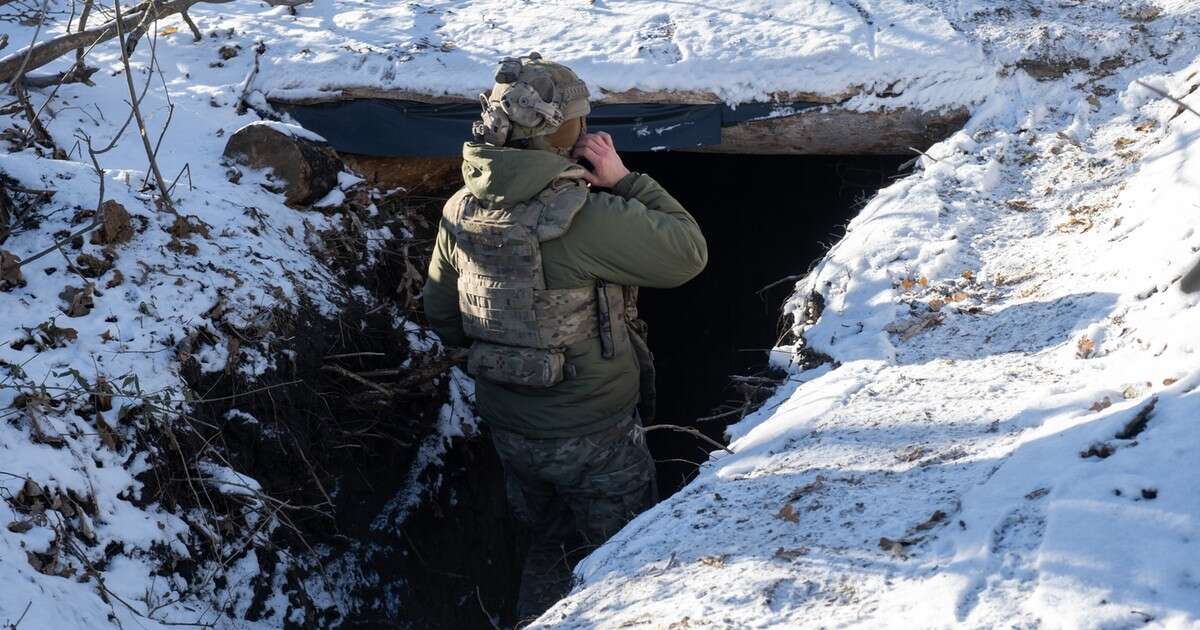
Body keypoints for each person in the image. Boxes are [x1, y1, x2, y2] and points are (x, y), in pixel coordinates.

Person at [422, 52, 708, 624]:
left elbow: (444, 319)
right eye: (578, 120)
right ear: (560, 131)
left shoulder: (461, 207)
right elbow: (687, 254)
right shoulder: (585, 213)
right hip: (596, 431)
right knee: (624, 557)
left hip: (508, 424)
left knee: (548, 542)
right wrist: (625, 180)